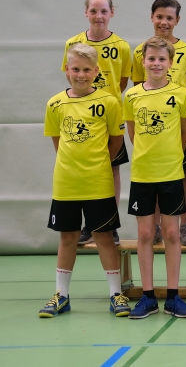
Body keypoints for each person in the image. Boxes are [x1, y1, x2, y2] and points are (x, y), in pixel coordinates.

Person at [40, 43, 130, 317]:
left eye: (86, 70)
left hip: (98, 183)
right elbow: (58, 143)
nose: (81, 75)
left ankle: (116, 294)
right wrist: (73, 166)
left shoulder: (109, 102)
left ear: (96, 71)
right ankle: (62, 295)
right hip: (66, 183)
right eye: (76, 69)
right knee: (68, 236)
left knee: (103, 236)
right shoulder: (55, 103)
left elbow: (116, 141)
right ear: (67, 70)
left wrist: (97, 164)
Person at [124, 37, 186, 318]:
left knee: (171, 233)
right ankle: (148, 296)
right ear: (143, 61)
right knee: (144, 234)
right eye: (151, 58)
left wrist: (169, 158)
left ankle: (173, 296)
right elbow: (133, 134)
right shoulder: (132, 95)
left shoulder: (180, 94)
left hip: (171, 173)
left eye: (162, 59)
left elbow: (185, 134)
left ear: (170, 63)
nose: (156, 63)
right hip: (142, 174)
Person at [62, 0, 131, 246]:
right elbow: (70, 76)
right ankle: (88, 226)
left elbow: (121, 83)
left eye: (103, 11)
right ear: (86, 13)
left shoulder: (122, 46)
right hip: (81, 117)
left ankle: (109, 224)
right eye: (93, 11)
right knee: (83, 170)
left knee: (111, 170)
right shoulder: (73, 43)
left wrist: (103, 101)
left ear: (111, 13)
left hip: (108, 118)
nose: (98, 16)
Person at [132, 0, 186, 247]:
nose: (164, 22)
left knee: (182, 174)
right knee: (155, 177)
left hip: (178, 126)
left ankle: (185, 225)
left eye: (169, 18)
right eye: (159, 16)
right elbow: (139, 89)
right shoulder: (141, 51)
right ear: (152, 17)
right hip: (153, 130)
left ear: (177, 20)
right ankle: (157, 226)